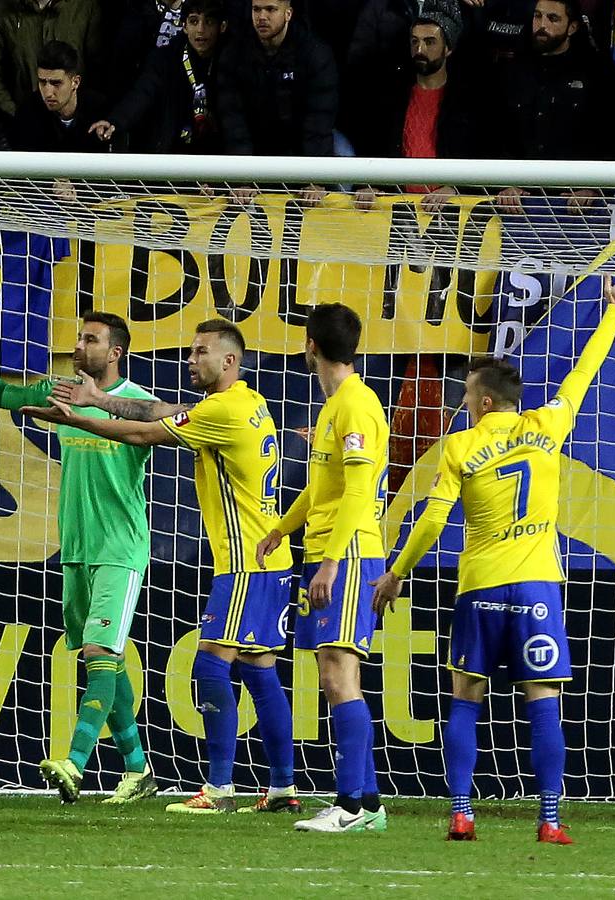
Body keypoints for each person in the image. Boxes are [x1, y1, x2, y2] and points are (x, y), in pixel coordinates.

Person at [372, 261, 615, 845]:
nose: (463, 403)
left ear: (488, 402)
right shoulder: (550, 424)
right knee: (542, 699)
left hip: (481, 587)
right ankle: (549, 820)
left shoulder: (458, 446)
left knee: (467, 696)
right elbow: (584, 372)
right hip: (539, 587)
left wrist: (396, 572)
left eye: (468, 395)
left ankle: (463, 812)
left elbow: (433, 520)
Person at [26, 320, 299, 815]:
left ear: (229, 362)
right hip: (272, 561)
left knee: (211, 665)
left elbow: (144, 431)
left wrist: (80, 414)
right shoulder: (250, 401)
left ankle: (217, 790)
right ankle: (281, 788)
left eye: (200, 353)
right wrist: (100, 400)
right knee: (261, 670)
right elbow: (145, 409)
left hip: (244, 563)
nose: (191, 360)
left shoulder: (221, 410)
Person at [0, 311, 160, 805]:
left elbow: (170, 423)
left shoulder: (136, 405)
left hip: (121, 549)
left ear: (115, 353)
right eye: (78, 336)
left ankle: (75, 762)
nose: (79, 345)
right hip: (77, 549)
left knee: (99, 655)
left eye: (91, 339)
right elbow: (5, 396)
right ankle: (138, 769)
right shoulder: (63, 391)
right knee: (103, 661)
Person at [256, 303, 391, 834]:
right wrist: (282, 529)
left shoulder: (356, 405)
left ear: (311, 346)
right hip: (330, 547)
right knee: (336, 672)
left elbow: (358, 490)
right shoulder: (337, 406)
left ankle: (350, 808)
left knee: (338, 672)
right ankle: (371, 805)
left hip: (351, 552)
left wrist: (332, 562)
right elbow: (323, 488)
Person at [489, 0, 615, 210]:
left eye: (553, 18)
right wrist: (506, 184)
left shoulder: (603, 75)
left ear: (573, 27)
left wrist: (596, 189)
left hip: (584, 209)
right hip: (518, 205)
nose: (542, 25)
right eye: (537, 16)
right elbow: (495, 133)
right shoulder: (512, 72)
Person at [350, 1, 476, 210]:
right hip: (398, 207)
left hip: (450, 210)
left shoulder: (466, 101)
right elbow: (374, 147)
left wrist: (455, 188)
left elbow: (479, 155)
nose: (420, 50)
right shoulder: (392, 97)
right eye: (414, 42)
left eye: (429, 42)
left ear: (448, 49)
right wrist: (369, 185)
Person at [89, 0, 228, 154]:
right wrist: (115, 121)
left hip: (222, 151)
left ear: (221, 26)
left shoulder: (234, 60)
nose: (200, 29)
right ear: (184, 26)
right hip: (175, 151)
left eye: (208, 22)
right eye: (194, 21)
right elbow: (142, 93)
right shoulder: (165, 58)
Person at [215, 0, 338, 157]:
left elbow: (319, 120)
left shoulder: (315, 54)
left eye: (270, 9)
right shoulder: (233, 54)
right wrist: (243, 176)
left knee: (346, 173)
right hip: (255, 149)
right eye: (256, 9)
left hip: (303, 147)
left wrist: (314, 177)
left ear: (288, 14)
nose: (262, 17)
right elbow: (234, 123)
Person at [0, 0, 103, 117]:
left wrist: (82, 115)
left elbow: (99, 68)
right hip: (22, 124)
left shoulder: (85, 7)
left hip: (76, 122)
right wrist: (16, 115)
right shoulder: (2, 12)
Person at [10, 40, 111, 152]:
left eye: (56, 83)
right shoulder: (28, 112)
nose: (48, 93)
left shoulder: (99, 110)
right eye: (42, 82)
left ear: (75, 82)